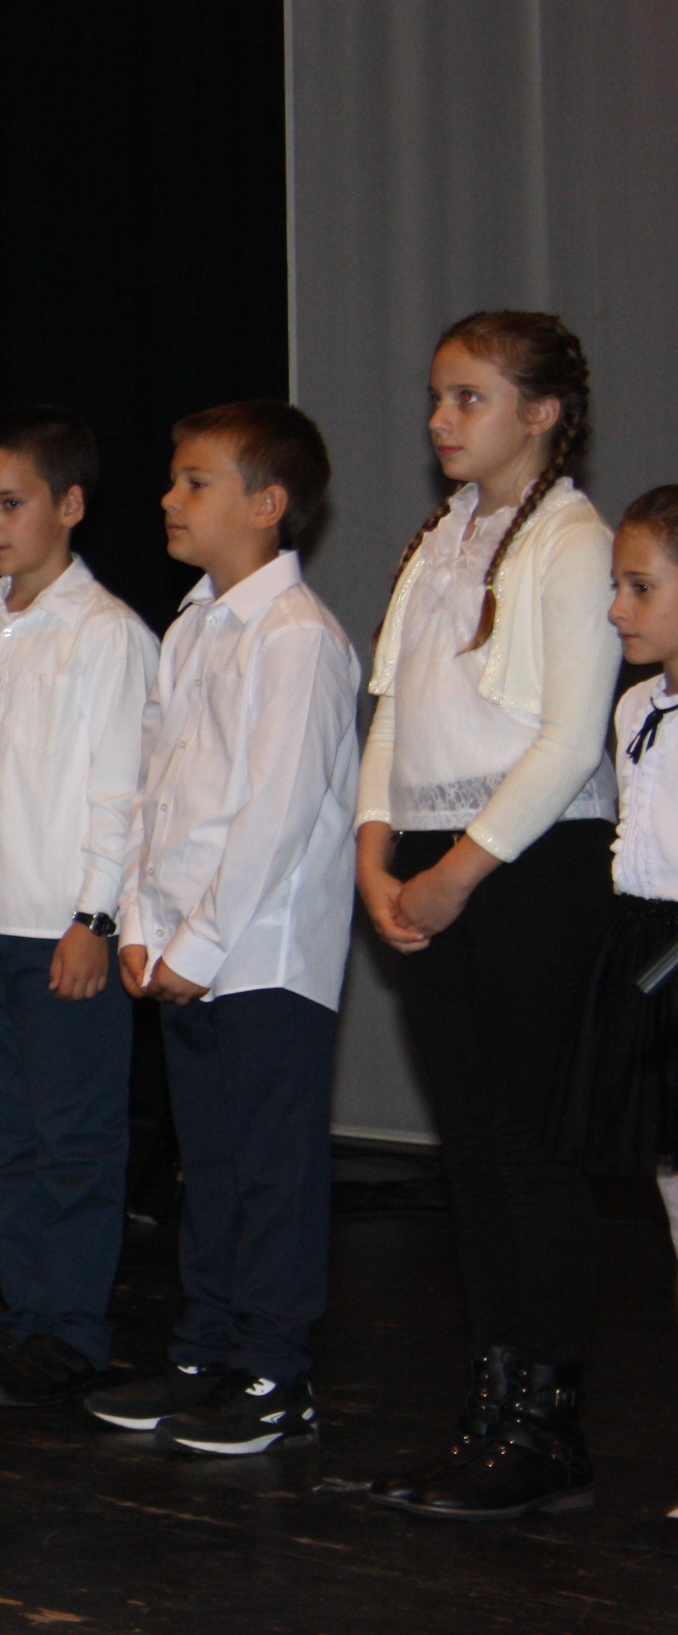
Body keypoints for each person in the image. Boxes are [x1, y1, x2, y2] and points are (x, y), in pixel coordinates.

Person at [344, 315, 620, 1521]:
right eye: (435, 397)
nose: (438, 419)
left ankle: (545, 1424)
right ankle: (490, 1406)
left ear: (540, 411)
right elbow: (394, 712)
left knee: (527, 1146)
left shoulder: (571, 539)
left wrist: (456, 871)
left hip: (528, 866)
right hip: (427, 859)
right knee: (469, 1147)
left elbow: (567, 738)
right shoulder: (440, 537)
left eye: (467, 397)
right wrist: (372, 846)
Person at [86, 401, 358, 1454]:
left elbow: (274, 817)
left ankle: (275, 1372)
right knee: (208, 1166)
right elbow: (158, 793)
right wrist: (139, 924)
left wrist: (196, 946)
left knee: (270, 1170)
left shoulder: (297, 639)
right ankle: (204, 1350)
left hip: (264, 956)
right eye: (174, 478)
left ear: (267, 503)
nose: (169, 497)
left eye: (195, 481)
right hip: (183, 953)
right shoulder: (193, 625)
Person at [0, 408, 157, 1409]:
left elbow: (122, 793)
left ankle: (72, 1332)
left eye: (10, 502)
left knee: (75, 1141)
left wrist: (94, 919)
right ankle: (24, 1320)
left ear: (69, 505)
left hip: (62, 932)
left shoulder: (107, 636)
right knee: (9, 1141)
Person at [551, 483, 678, 1532]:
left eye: (639, 587)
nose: (616, 608)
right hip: (649, 960)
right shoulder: (636, 711)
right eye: (615, 585)